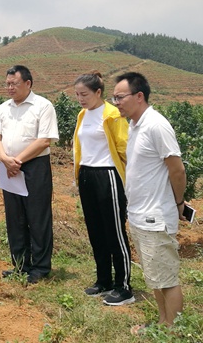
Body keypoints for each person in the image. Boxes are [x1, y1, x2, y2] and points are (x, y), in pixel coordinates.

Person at [112, 72, 186, 333]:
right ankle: (163, 323)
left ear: (139, 96)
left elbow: (177, 169)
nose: (116, 103)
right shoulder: (135, 125)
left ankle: (173, 330)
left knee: (167, 278)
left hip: (156, 216)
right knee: (156, 277)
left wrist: (178, 202)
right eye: (114, 98)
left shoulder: (156, 125)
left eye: (120, 97)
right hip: (140, 214)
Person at [0, 65, 58, 284]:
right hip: (9, 167)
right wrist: (5, 159)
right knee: (15, 218)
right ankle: (20, 265)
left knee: (38, 217)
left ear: (28, 83)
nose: (10, 87)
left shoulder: (43, 106)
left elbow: (44, 140)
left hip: (34, 166)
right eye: (7, 84)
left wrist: (16, 161)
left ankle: (40, 267)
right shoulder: (3, 108)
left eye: (14, 83)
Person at [73, 72, 133, 305]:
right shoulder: (82, 114)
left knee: (114, 231)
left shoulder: (113, 115)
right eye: (77, 95)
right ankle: (103, 280)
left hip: (108, 175)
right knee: (95, 230)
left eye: (84, 94)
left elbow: (125, 148)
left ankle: (123, 286)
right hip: (86, 175)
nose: (80, 99)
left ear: (98, 92)